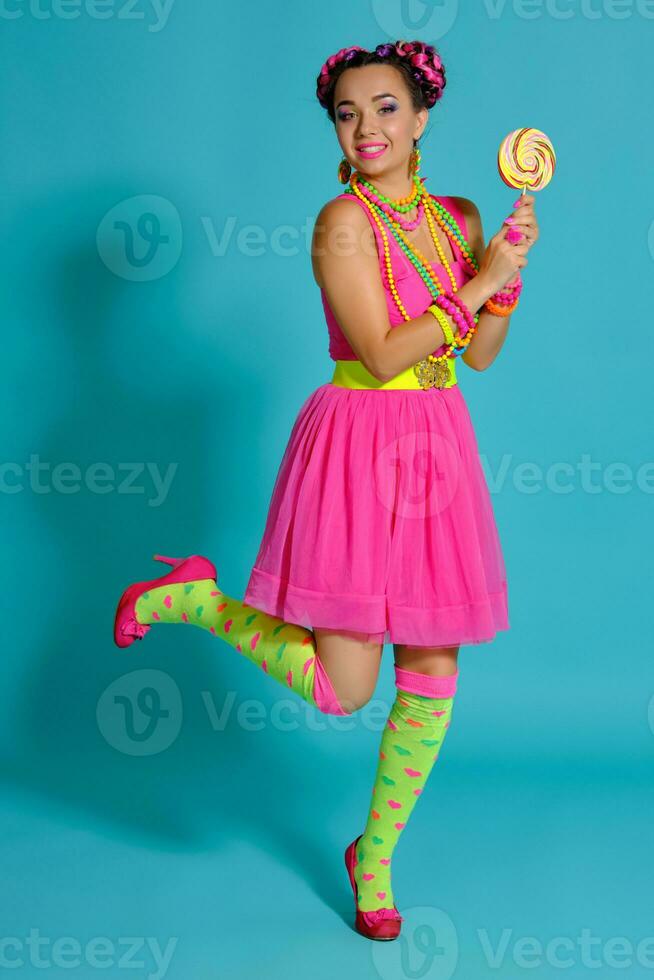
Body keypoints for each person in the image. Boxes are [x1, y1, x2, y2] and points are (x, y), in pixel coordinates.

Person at [113, 39, 539, 942]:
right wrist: (483, 287)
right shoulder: (339, 223)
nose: (367, 127)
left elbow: (482, 355)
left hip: (437, 451)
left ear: (422, 117)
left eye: (385, 107)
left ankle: (373, 861)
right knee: (343, 688)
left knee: (433, 665)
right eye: (348, 112)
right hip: (359, 444)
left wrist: (503, 280)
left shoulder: (458, 219)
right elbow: (382, 351)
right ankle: (193, 599)